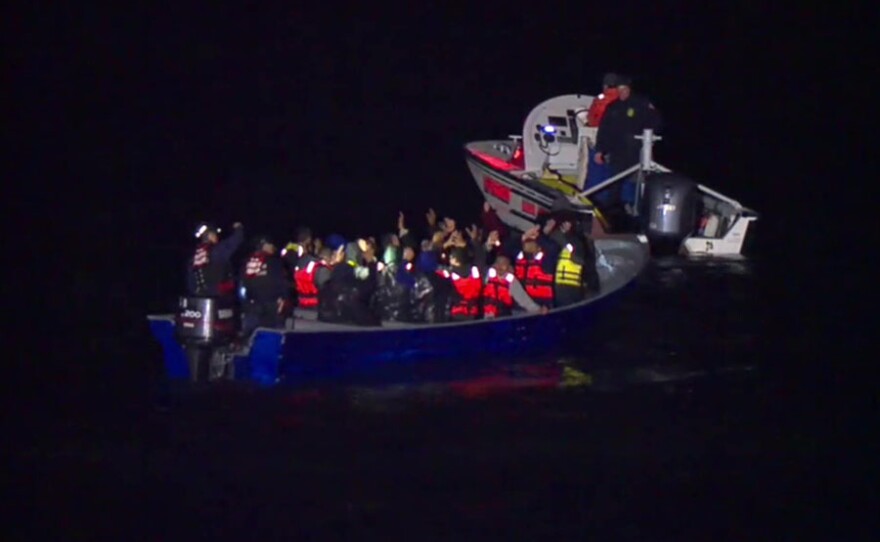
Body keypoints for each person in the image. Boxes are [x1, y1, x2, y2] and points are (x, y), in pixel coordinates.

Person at [594, 75, 662, 211]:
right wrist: (599, 150)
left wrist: (648, 134)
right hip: (618, 154)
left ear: (629, 89)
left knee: (642, 184)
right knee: (614, 184)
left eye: (624, 89)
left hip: (638, 153)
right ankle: (610, 211)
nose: (622, 93)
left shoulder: (641, 103)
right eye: (619, 90)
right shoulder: (613, 107)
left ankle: (642, 211)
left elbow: (656, 122)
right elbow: (604, 130)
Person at [240, 236, 291, 337]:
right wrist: (284, 297)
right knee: (272, 334)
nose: (273, 247)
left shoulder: (247, 262)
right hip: (271, 305)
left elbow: (243, 283)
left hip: (252, 304)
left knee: (251, 335)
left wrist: (245, 302)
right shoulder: (274, 262)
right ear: (264, 246)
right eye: (270, 245)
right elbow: (281, 282)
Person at [187, 221, 244, 297]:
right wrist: (238, 228)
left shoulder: (194, 256)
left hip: (200, 297)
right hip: (217, 298)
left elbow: (190, 281)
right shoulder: (217, 251)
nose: (216, 236)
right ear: (209, 235)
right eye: (214, 234)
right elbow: (237, 239)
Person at [482, 255, 547, 318]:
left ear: (509, 267)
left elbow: (523, 299)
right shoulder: (486, 277)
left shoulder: (511, 281)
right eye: (498, 262)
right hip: (484, 319)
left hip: (502, 318)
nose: (500, 266)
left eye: (503, 263)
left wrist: (538, 310)